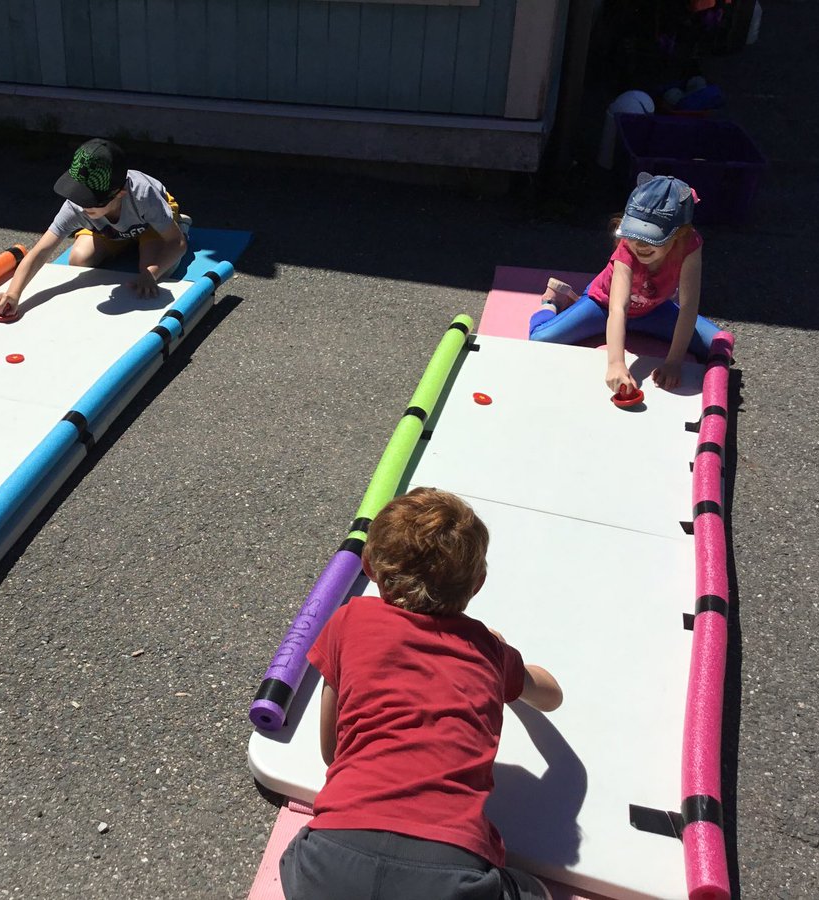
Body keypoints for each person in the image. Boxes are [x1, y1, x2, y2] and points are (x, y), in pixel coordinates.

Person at [280, 487, 563, 900]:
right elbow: (551, 696)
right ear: (478, 583)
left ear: (369, 566)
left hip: (326, 862)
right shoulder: (486, 649)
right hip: (449, 879)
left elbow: (332, 751)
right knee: (529, 892)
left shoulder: (350, 620)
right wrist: (500, 659)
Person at [528, 173, 720, 393]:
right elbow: (618, 308)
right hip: (604, 306)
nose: (640, 245)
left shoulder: (690, 245)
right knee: (541, 338)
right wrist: (616, 364)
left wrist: (674, 362)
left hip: (652, 308)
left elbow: (688, 306)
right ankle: (552, 302)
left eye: (652, 238)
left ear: (679, 235)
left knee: (718, 343)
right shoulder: (627, 248)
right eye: (634, 235)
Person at [0, 138, 187, 316]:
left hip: (148, 225)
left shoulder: (144, 197)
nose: (83, 205)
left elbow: (176, 242)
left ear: (120, 193)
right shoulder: (78, 206)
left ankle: (181, 224)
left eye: (91, 200)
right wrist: (13, 293)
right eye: (79, 196)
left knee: (152, 271)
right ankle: (126, 242)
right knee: (78, 259)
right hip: (111, 230)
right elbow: (41, 251)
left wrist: (150, 274)